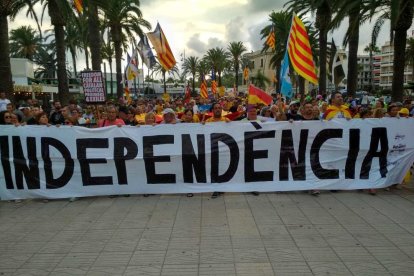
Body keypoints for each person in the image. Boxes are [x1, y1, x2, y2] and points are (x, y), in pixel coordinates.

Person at [204, 103, 230, 198]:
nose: (218, 109)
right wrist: (201, 125)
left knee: (223, 168)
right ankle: (216, 188)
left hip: (224, 151)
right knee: (214, 169)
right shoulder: (208, 121)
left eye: (219, 108)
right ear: (213, 110)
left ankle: (221, 187)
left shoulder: (226, 120)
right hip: (212, 150)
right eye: (216, 108)